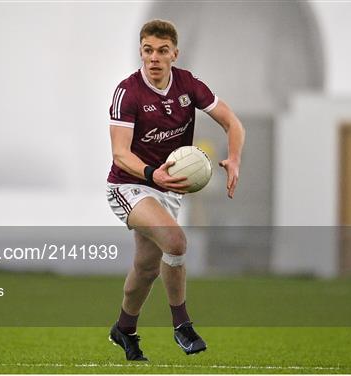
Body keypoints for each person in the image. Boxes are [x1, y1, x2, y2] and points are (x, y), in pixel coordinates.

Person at [106, 19, 245, 361]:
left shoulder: (188, 85)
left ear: (174, 54)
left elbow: (232, 121)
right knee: (176, 241)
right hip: (129, 186)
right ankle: (182, 325)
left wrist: (235, 158)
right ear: (141, 52)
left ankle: (124, 330)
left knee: (147, 268)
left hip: (166, 189)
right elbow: (120, 154)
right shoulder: (128, 92)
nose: (154, 58)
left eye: (162, 51)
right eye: (147, 51)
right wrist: (154, 174)